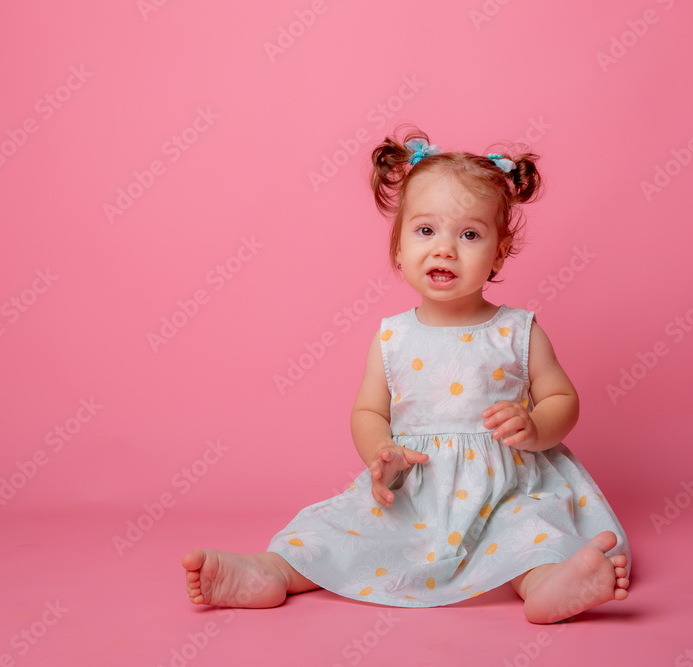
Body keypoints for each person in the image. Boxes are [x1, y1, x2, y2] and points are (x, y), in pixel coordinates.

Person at [182, 125, 630, 623]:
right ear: (397, 248)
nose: (444, 249)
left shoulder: (515, 331)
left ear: (499, 252)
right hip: (415, 489)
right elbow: (369, 410)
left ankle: (551, 583)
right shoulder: (393, 337)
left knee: (528, 533)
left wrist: (537, 427)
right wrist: (380, 453)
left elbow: (562, 398)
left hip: (506, 487)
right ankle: (270, 571)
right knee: (338, 526)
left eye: (469, 234)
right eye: (425, 231)